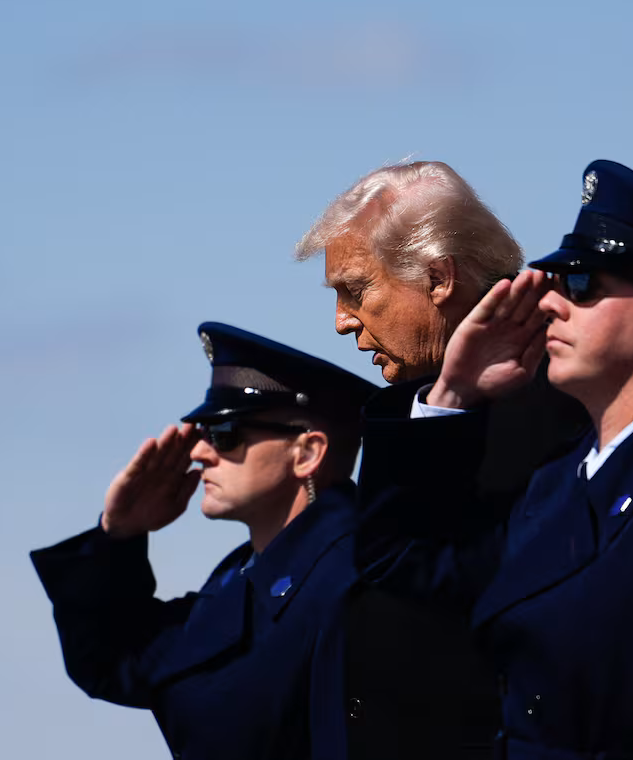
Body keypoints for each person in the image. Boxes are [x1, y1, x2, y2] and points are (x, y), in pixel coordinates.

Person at [370, 159, 633, 759]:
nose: (551, 304)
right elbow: (403, 570)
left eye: (581, 286)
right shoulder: (560, 486)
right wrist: (452, 397)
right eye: (555, 283)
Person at [295, 161, 588, 759]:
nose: (341, 322)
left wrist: (448, 406)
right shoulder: (413, 407)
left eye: (357, 290)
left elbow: (421, 576)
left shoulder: (556, 400)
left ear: (439, 277)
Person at [31, 322, 377, 760]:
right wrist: (119, 536)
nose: (199, 452)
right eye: (200, 433)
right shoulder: (242, 577)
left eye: (225, 434)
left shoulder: (360, 575)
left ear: (307, 453)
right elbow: (115, 663)